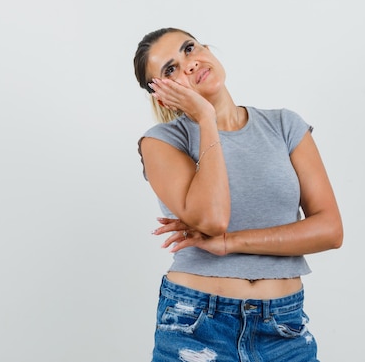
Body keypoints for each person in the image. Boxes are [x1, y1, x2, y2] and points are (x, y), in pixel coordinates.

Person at [134, 27, 343, 362]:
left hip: (284, 329)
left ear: (208, 50)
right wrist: (205, 117)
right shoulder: (161, 141)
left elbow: (330, 231)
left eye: (189, 48)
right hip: (197, 325)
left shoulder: (284, 125)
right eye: (170, 69)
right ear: (162, 95)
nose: (188, 64)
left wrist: (233, 243)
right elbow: (214, 219)